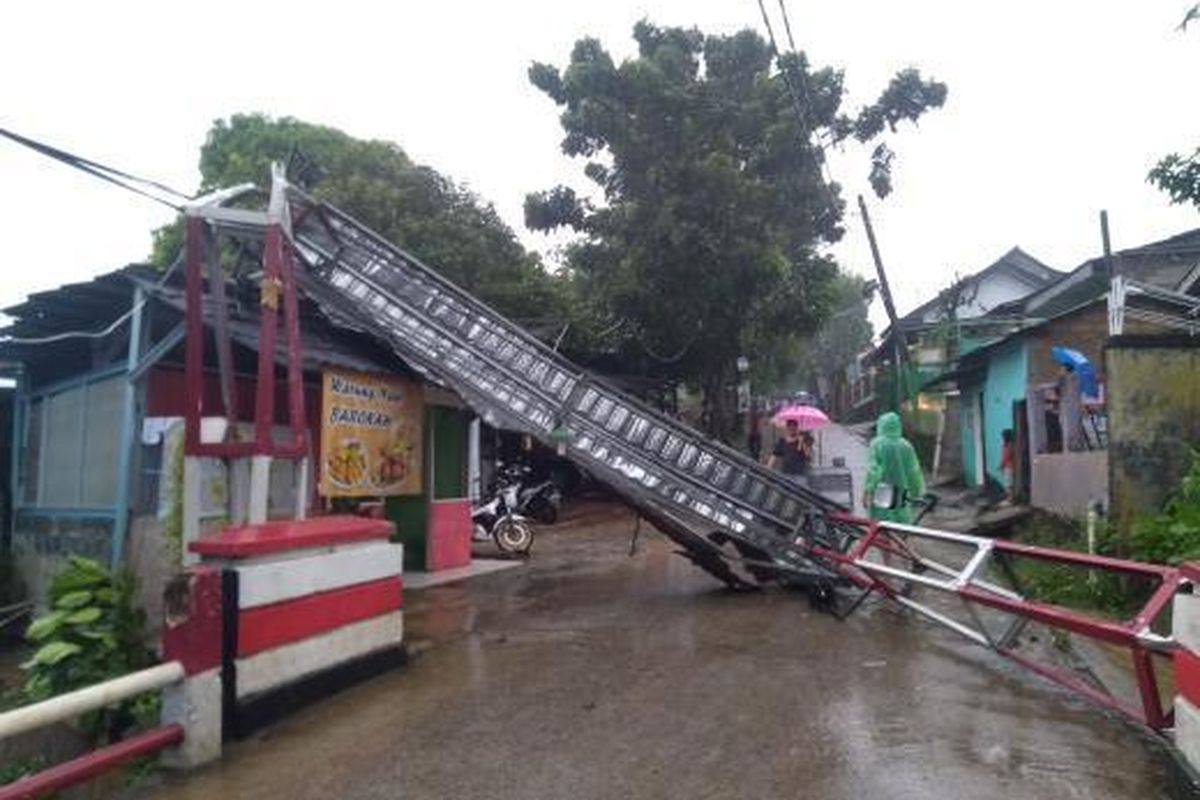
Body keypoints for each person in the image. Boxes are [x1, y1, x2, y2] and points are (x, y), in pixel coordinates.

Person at [862, 411, 925, 525]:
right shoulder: (906, 445)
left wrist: (867, 491)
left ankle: (886, 542)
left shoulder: (877, 444)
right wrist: (916, 492)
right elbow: (913, 471)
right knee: (900, 523)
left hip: (883, 489)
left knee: (882, 525)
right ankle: (899, 542)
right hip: (901, 488)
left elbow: (873, 471)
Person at [999, 428, 1015, 502]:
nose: (1002, 438)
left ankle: (1011, 498)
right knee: (1008, 483)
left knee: (1008, 484)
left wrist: (1001, 465)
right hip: (1007, 466)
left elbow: (1006, 456)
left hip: (1009, 466)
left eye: (1003, 436)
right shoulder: (1008, 444)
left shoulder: (1009, 445)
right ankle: (1010, 498)